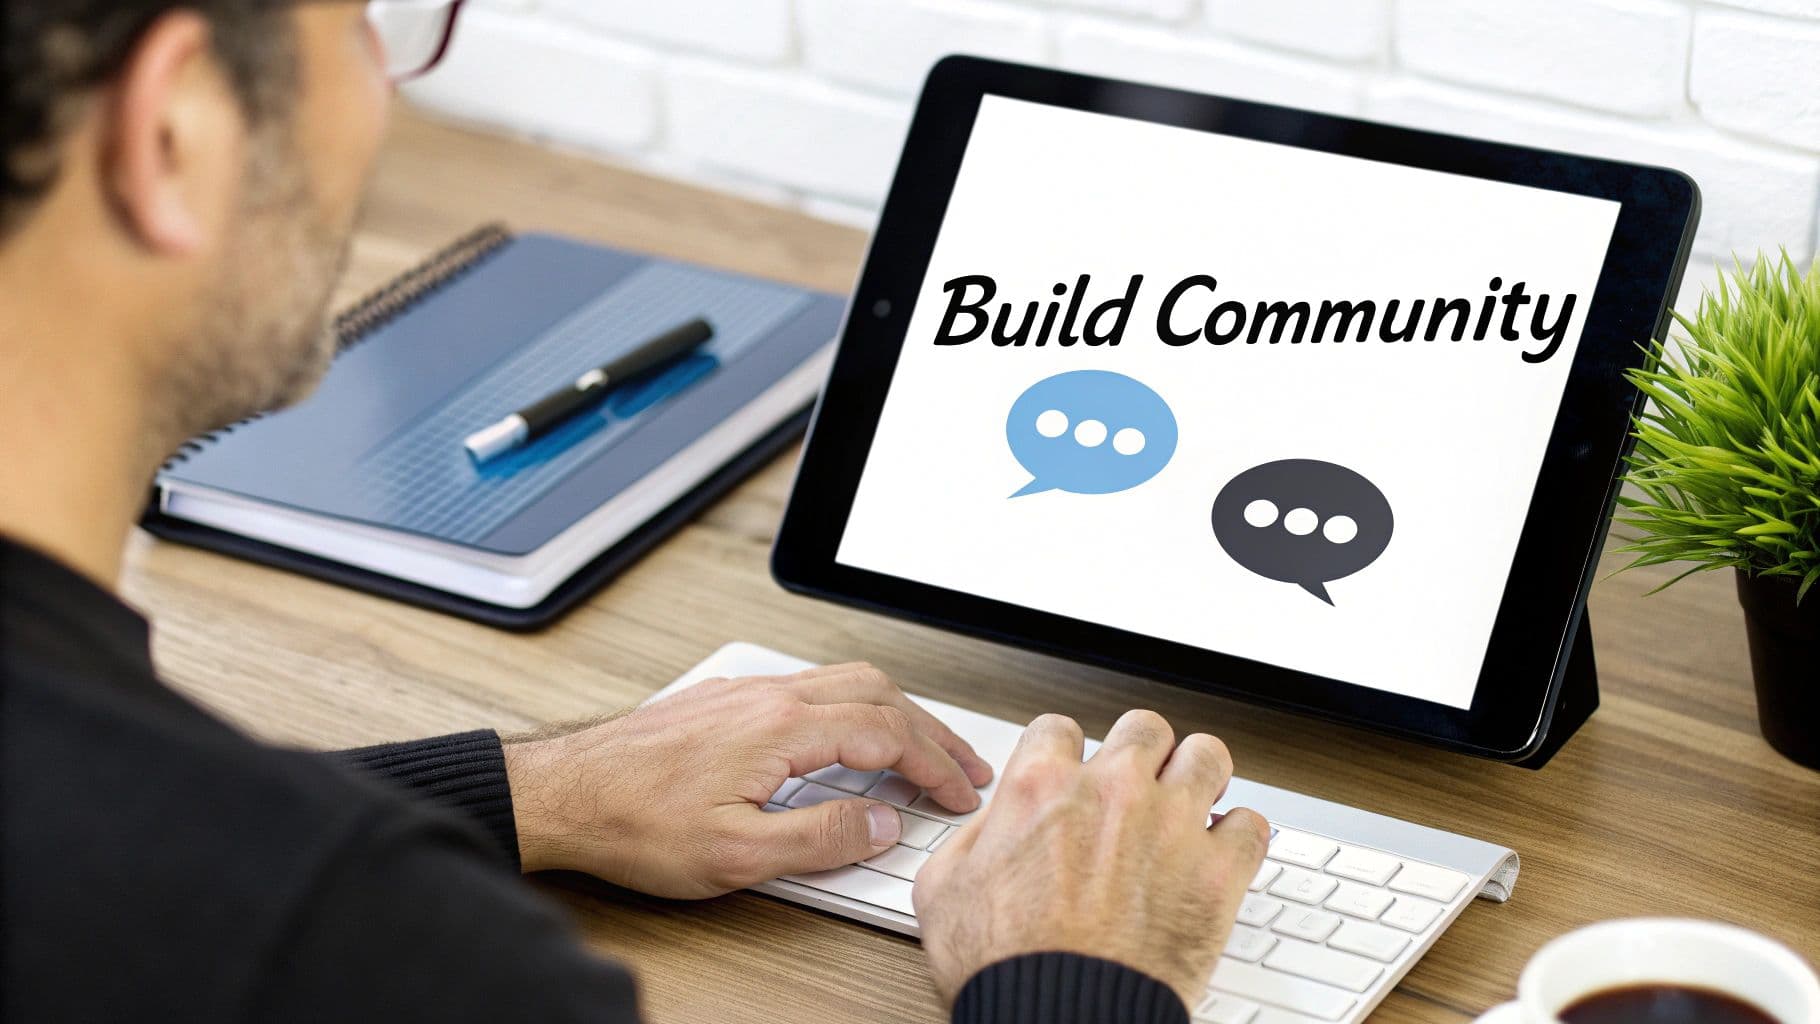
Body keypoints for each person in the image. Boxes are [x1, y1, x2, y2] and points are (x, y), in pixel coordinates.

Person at [0, 3, 1272, 1021]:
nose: (385, 89)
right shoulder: (378, 954)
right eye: (360, 25)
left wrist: (529, 793)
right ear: (172, 132)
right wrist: (1073, 977)